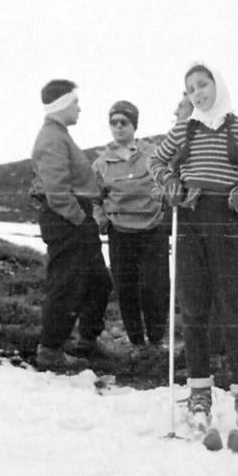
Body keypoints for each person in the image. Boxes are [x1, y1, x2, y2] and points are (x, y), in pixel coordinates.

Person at [148, 63, 238, 437]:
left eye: (203, 85)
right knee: (193, 304)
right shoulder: (185, 129)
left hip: (227, 216)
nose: (198, 93)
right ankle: (199, 390)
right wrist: (170, 181)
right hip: (190, 215)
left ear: (217, 85)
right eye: (191, 89)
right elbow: (157, 161)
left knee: (232, 307)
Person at [29, 78, 114, 372]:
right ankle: (50, 351)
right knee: (66, 286)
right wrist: (80, 219)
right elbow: (56, 192)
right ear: (62, 105)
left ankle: (86, 343)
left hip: (77, 219)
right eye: (75, 102)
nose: (79, 108)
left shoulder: (60, 135)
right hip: (68, 221)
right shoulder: (52, 138)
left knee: (98, 283)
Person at [92, 100, 169, 357]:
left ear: (134, 124)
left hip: (153, 229)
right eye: (113, 122)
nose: (118, 127)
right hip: (120, 232)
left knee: (154, 286)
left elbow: (168, 182)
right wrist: (101, 218)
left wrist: (165, 208)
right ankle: (136, 342)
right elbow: (96, 197)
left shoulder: (154, 153)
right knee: (126, 287)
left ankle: (157, 341)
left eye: (123, 122)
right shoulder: (101, 163)